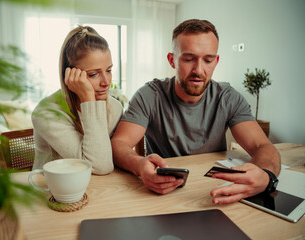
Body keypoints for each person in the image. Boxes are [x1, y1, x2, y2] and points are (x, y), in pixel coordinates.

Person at [111, 19, 281, 204]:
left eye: (208, 60)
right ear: (172, 60)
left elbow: (263, 146)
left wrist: (266, 176)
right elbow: (119, 143)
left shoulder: (228, 98)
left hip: (213, 191)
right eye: (189, 59)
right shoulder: (149, 95)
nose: (198, 70)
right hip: (163, 195)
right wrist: (139, 164)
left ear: (216, 62)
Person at [32, 26, 123, 175]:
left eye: (109, 70)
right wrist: (88, 98)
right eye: (93, 74)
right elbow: (99, 166)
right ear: (70, 75)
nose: (106, 82)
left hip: (101, 189)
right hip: (52, 191)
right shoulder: (46, 113)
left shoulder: (115, 107)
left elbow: (111, 162)